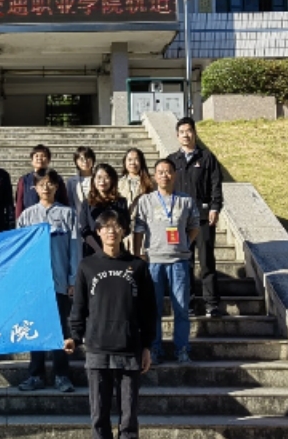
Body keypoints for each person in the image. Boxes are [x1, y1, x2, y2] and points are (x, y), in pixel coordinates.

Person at [65, 210, 156, 439]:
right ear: (98, 232)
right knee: (99, 416)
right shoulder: (87, 266)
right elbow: (79, 307)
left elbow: (149, 312)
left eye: (116, 227)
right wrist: (74, 336)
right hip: (97, 349)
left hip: (129, 349)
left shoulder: (138, 266)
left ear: (124, 231)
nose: (111, 232)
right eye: (106, 227)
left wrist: (147, 346)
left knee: (128, 417)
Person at [17, 170, 79, 393]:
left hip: (59, 281)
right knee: (36, 329)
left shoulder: (68, 214)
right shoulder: (27, 216)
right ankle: (36, 375)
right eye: (41, 183)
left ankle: (62, 375)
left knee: (61, 328)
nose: (46, 187)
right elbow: (20, 252)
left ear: (56, 187)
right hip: (35, 283)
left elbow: (75, 249)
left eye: (50, 183)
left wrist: (73, 279)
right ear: (34, 187)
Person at [133, 159, 199, 365]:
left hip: (179, 261)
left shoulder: (186, 200)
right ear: (154, 176)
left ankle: (182, 349)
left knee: (181, 308)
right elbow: (138, 229)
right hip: (153, 260)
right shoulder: (146, 201)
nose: (164, 175)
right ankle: (154, 348)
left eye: (168, 171)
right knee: (154, 308)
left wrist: (185, 243)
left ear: (175, 174)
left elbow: (195, 226)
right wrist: (137, 253)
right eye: (160, 172)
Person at [167, 116, 225, 318]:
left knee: (207, 260)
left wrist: (215, 207)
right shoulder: (172, 160)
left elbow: (216, 184)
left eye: (189, 131)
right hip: (179, 220)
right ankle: (188, 303)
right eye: (182, 132)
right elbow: (165, 188)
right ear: (177, 136)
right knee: (184, 261)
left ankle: (212, 304)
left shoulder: (207, 157)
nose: (186, 135)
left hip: (202, 217)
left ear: (195, 133)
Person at [80, 163, 130, 257]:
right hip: (92, 252)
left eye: (106, 177)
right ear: (93, 180)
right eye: (99, 177)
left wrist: (111, 246)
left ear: (112, 180)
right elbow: (84, 230)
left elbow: (125, 228)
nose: (102, 181)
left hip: (116, 251)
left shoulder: (121, 202)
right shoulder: (87, 203)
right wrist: (99, 251)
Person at [14, 144, 69, 219]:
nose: (39, 158)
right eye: (36, 156)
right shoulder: (24, 180)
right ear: (32, 160)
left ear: (49, 160)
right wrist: (19, 219)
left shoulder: (57, 179)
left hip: (54, 218)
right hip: (30, 219)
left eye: (43, 156)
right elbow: (19, 203)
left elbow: (64, 200)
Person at [66, 146, 95, 224]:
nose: (85, 161)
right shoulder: (71, 182)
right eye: (81, 159)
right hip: (78, 220)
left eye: (88, 158)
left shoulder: (98, 179)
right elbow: (70, 202)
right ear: (76, 162)